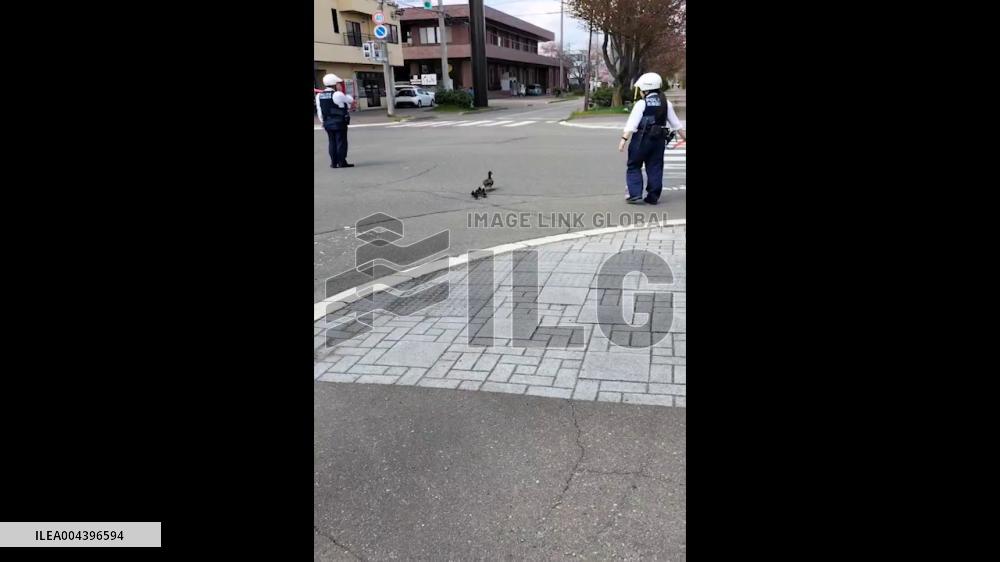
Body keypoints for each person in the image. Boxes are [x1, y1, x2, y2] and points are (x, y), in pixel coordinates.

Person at [618, 72, 685, 204]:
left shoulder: (641, 104)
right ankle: (653, 196)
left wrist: (623, 140)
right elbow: (677, 125)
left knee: (634, 165)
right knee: (655, 166)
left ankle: (635, 194)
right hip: (659, 141)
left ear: (645, 89)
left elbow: (631, 125)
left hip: (641, 140)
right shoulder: (666, 103)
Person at [316, 74, 355, 168]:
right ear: (334, 84)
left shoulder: (319, 95)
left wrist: (322, 121)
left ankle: (333, 163)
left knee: (332, 142)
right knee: (341, 142)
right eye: (338, 84)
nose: (340, 85)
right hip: (339, 122)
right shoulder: (337, 94)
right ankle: (342, 162)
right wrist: (343, 94)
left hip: (327, 122)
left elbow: (320, 110)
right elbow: (350, 100)